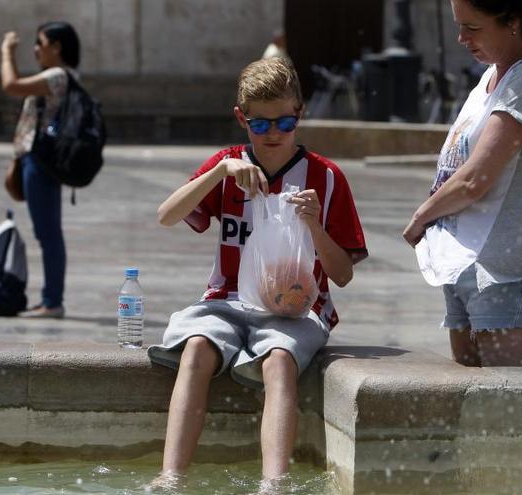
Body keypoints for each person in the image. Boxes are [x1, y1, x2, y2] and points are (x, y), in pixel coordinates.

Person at [147, 57, 367, 489]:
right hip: (226, 300)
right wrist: (218, 172)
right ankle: (171, 477)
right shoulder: (227, 166)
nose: (272, 135)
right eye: (259, 125)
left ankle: (273, 484)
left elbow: (342, 275)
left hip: (297, 310)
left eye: (284, 123)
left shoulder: (325, 177)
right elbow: (166, 216)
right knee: (195, 350)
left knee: (280, 361)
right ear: (240, 118)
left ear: (300, 114)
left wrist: (315, 226)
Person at [402, 0, 522, 368]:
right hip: (466, 261)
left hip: (508, 270)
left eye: (473, 28)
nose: (462, 38)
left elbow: (476, 178)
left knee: (510, 410)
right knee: (471, 411)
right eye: (459, 26)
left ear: (513, 20)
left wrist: (422, 217)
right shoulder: (493, 75)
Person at [0, 22, 82, 319]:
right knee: (47, 231)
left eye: (41, 42)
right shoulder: (63, 76)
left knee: (48, 233)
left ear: (56, 47)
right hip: (37, 160)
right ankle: (50, 298)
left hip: (42, 162)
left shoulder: (58, 76)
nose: (36, 49)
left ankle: (52, 301)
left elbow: (11, 85)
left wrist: (7, 51)